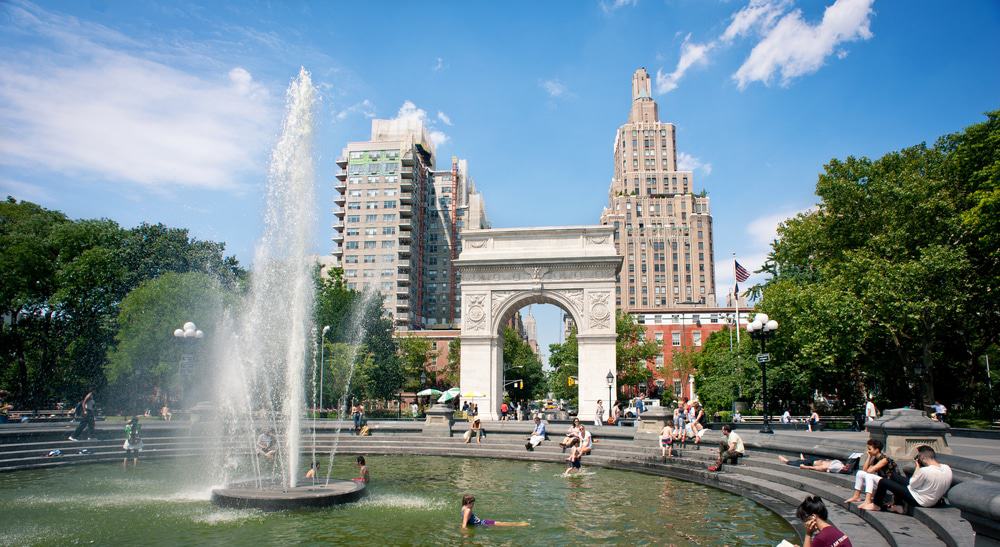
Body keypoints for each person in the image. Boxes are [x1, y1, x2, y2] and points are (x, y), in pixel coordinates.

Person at [862, 445, 952, 514]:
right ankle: (898, 505)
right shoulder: (947, 468)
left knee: (883, 481)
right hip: (931, 498)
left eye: (919, 458)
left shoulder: (925, 471)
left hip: (920, 500)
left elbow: (912, 484)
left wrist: (917, 467)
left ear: (923, 458)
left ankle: (876, 505)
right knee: (893, 476)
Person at [845, 439, 896, 506]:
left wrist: (870, 465)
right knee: (860, 473)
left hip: (890, 483)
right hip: (882, 481)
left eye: (869, 449)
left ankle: (867, 500)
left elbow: (869, 471)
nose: (868, 451)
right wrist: (869, 457)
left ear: (877, 450)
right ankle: (856, 496)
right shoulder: (875, 458)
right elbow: (864, 470)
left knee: (869, 475)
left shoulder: (885, 459)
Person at [460, 494, 529, 528]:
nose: (473, 504)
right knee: (502, 524)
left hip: (479, 524)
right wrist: (465, 535)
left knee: (500, 524)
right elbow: (464, 523)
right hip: (482, 523)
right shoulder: (468, 510)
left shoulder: (463, 507)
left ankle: (520, 524)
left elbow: (464, 519)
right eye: (473, 503)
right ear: (468, 502)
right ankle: (521, 524)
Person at [778, 454, 846, 473]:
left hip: (811, 463)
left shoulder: (836, 468)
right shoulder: (841, 464)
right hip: (816, 460)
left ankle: (786, 461)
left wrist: (806, 467)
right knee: (804, 460)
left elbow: (821, 468)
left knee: (797, 463)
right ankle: (803, 459)